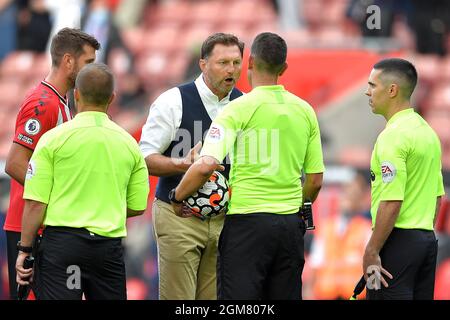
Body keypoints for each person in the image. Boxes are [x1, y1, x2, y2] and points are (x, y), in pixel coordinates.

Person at [171, 32, 325, 300]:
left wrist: (177, 196)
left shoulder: (236, 109)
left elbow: (206, 165)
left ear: (250, 62)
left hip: (247, 225)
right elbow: (315, 180)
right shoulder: (305, 111)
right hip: (289, 227)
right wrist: (293, 206)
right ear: (284, 68)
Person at [15, 63, 150, 300]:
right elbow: (138, 205)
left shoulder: (52, 140)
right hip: (107, 248)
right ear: (112, 98)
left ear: (75, 94)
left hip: (63, 247)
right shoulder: (129, 144)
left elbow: (36, 203)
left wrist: (24, 250)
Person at [139, 32, 244, 300]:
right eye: (223, 63)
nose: (231, 70)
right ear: (203, 64)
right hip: (179, 216)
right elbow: (145, 157)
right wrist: (182, 164)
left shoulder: (246, 104)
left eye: (236, 62)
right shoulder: (172, 101)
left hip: (224, 220)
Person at [3, 27, 100, 300]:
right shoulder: (43, 104)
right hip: (29, 226)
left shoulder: (62, 102)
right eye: (88, 63)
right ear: (69, 61)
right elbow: (15, 163)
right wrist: (61, 196)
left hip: (46, 225)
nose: (93, 71)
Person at [363, 58, 445, 300]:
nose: (367, 91)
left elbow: (392, 200)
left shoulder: (393, 137)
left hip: (395, 242)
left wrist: (372, 249)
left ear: (392, 90)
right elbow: (437, 197)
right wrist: (422, 237)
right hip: (426, 242)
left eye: (372, 85)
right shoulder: (428, 133)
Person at [308, 172, 372, 300]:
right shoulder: (326, 228)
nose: (348, 197)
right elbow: (316, 262)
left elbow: (373, 263)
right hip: (326, 293)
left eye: (353, 194)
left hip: (355, 294)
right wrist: (308, 291)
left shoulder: (366, 229)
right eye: (346, 193)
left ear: (360, 201)